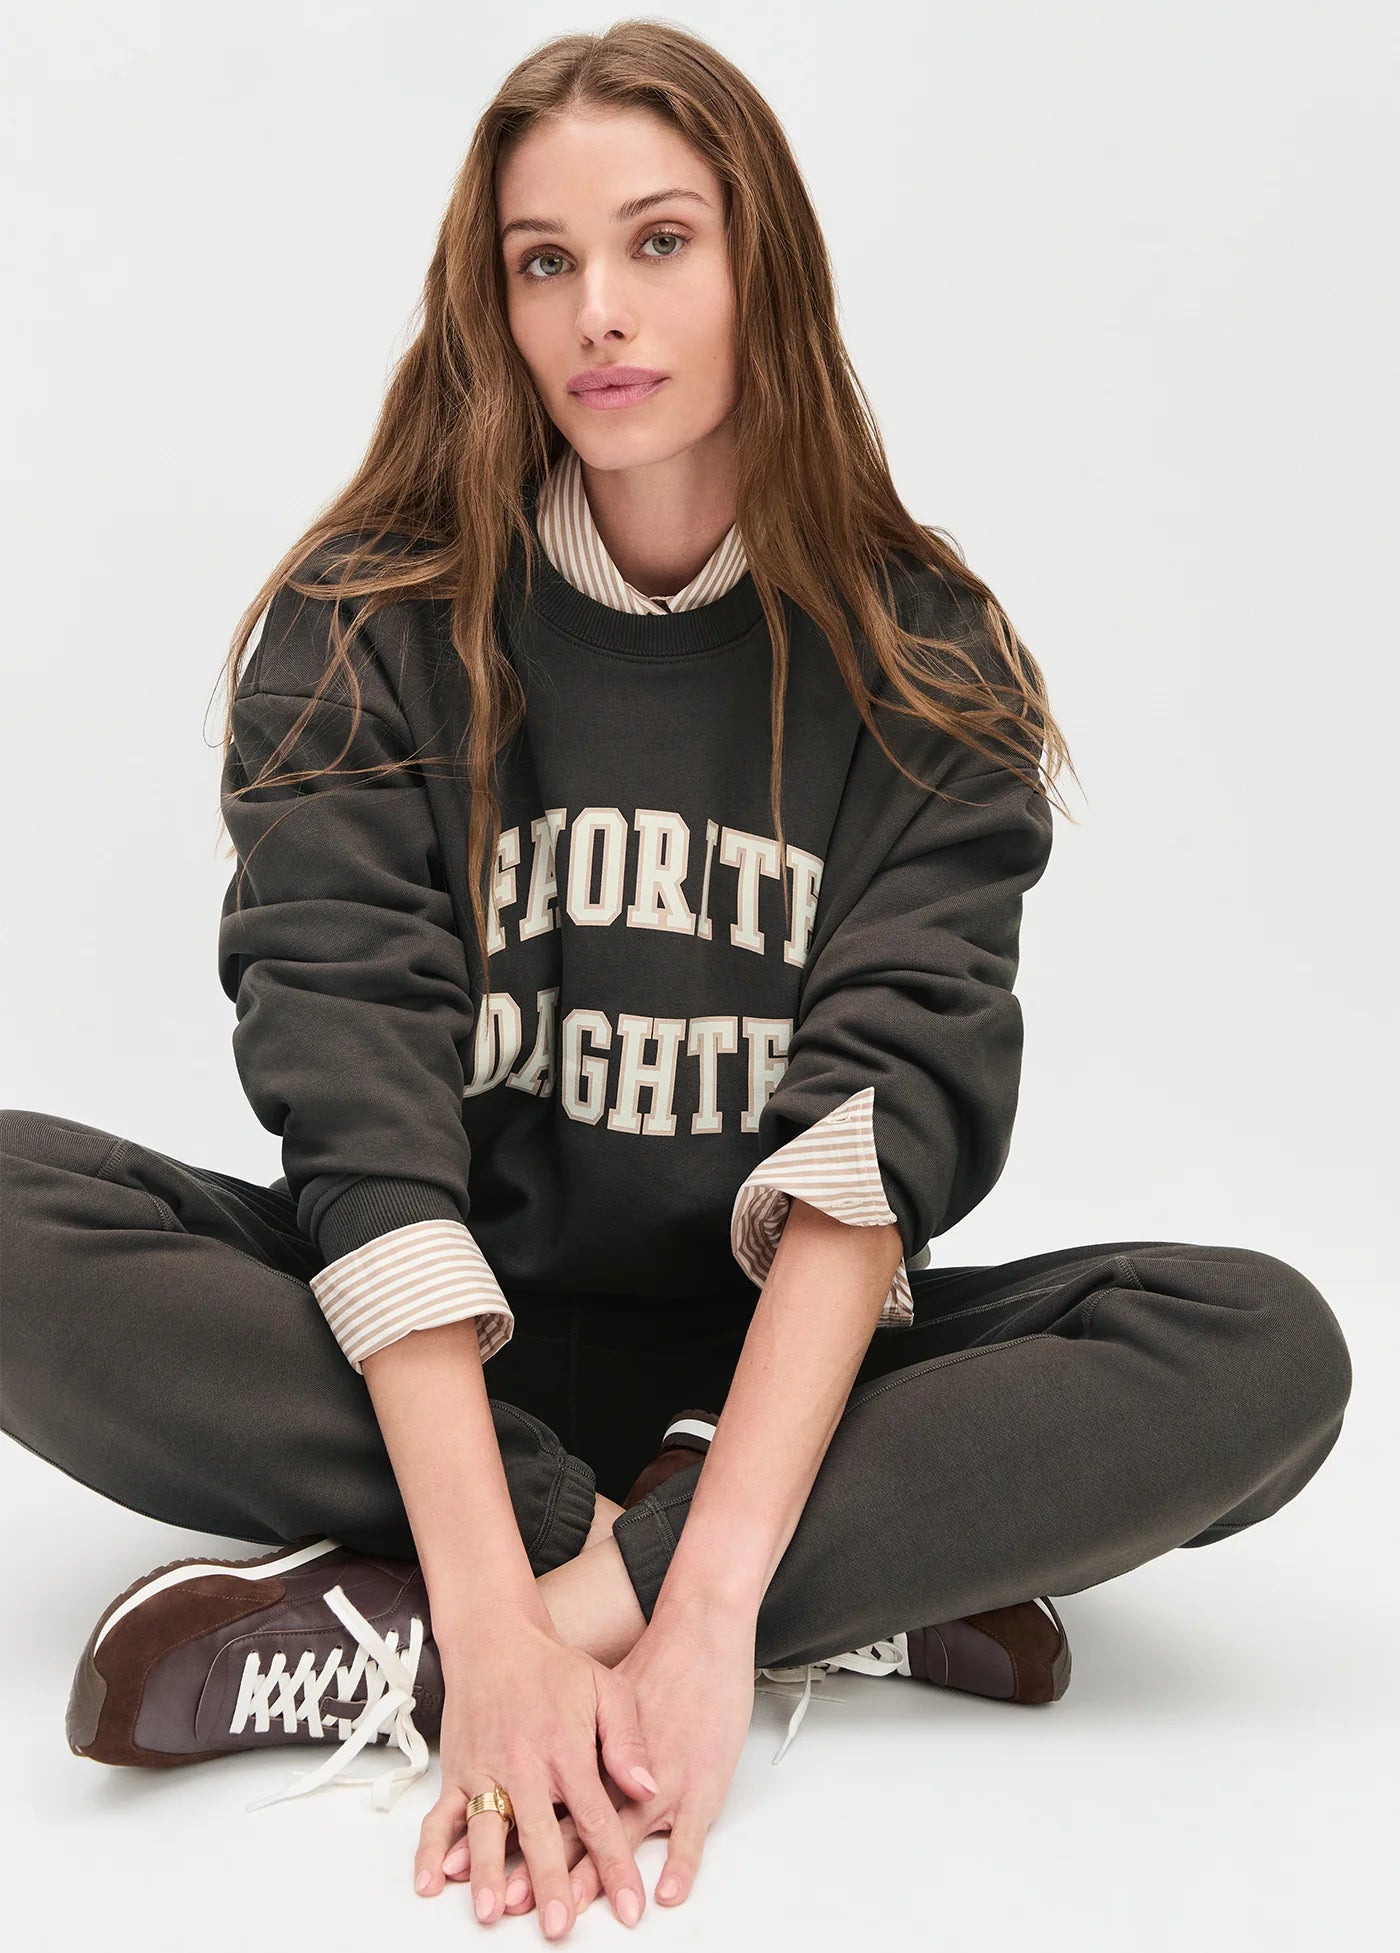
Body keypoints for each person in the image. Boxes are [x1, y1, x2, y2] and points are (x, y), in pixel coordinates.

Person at [0, 19, 1353, 1947]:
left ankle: (431, 1612)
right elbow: (360, 1111)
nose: (598, 314)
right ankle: (842, 1585)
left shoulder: (920, 658)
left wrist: (675, 1598)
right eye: (543, 261)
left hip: (783, 1383)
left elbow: (873, 1132)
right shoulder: (369, 625)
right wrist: (499, 1575)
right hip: (432, 1359)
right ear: (495, 303)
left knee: (1266, 1348)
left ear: (759, 267)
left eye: (659, 241)